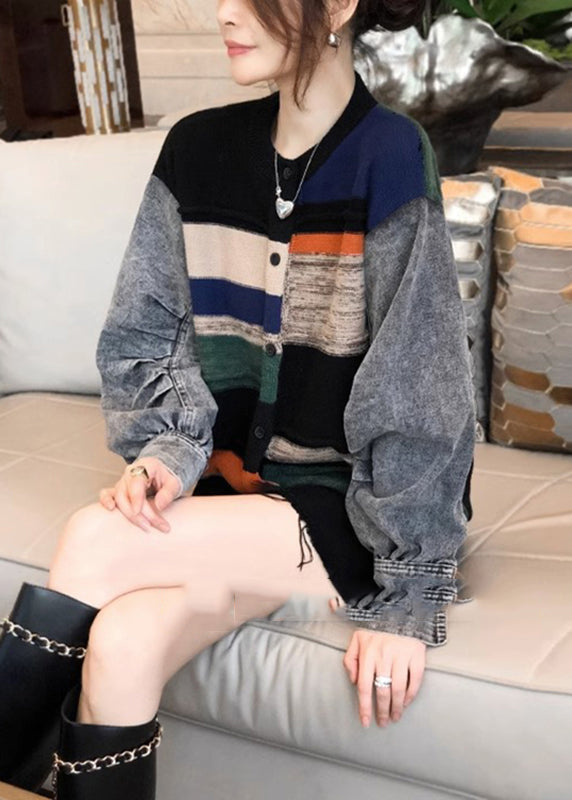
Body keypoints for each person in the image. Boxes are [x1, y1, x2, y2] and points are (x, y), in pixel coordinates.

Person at [0, 0, 476, 797]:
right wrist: (166, 451)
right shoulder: (197, 149)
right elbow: (146, 330)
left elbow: (419, 384)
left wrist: (408, 595)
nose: (224, 12)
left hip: (342, 516)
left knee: (95, 538)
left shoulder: (391, 153)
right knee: (124, 641)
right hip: (223, 500)